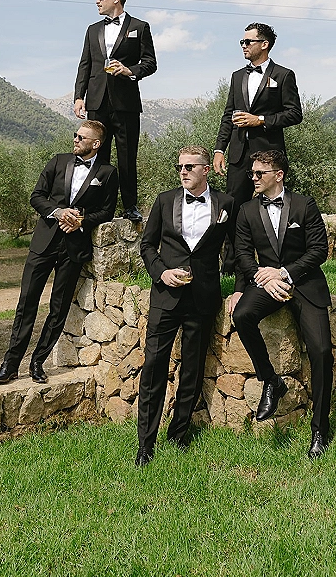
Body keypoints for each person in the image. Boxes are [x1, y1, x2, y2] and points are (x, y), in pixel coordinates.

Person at [0, 121, 118, 385]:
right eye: (75, 135)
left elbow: (106, 212)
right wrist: (58, 212)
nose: (76, 140)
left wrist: (81, 220)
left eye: (81, 137)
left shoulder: (108, 173)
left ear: (96, 144)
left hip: (74, 248)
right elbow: (36, 196)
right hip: (44, 243)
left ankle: (38, 362)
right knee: (27, 302)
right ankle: (10, 365)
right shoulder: (58, 161)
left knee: (58, 308)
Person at [230, 149, 333, 459]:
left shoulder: (304, 205)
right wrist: (260, 278)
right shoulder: (247, 210)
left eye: (259, 173)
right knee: (243, 315)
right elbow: (242, 254)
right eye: (252, 173)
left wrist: (285, 273)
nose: (253, 177)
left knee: (322, 351)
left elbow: (319, 250)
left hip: (305, 283)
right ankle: (271, 380)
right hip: (267, 282)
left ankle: (320, 429)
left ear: (279, 175)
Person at [136, 146, 233, 466]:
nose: (183, 171)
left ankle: (178, 434)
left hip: (203, 298)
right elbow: (147, 245)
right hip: (165, 297)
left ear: (206, 169)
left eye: (190, 166)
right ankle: (145, 444)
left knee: (192, 370)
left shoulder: (226, 204)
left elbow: (238, 247)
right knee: (154, 367)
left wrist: (242, 287)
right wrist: (161, 272)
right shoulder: (164, 201)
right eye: (180, 166)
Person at [213, 22, 302, 281]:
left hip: (269, 155)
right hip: (239, 154)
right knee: (233, 208)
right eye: (242, 42)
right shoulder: (237, 76)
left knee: (276, 207)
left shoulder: (284, 75)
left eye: (248, 41)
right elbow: (228, 116)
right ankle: (232, 264)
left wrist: (260, 120)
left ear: (264, 44)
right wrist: (219, 149)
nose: (243, 45)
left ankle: (279, 263)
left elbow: (294, 114)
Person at [73, 0, 157, 223]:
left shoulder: (140, 27)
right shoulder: (92, 30)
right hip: (96, 101)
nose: (97, 1)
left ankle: (130, 206)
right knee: (97, 156)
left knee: (127, 157)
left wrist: (130, 71)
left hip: (126, 102)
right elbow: (85, 64)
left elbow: (150, 63)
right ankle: (99, 207)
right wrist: (79, 96)